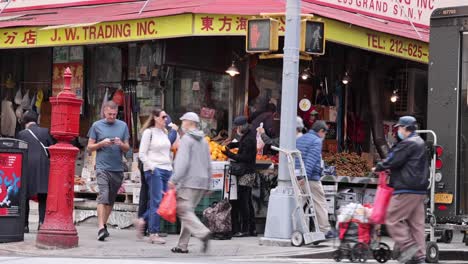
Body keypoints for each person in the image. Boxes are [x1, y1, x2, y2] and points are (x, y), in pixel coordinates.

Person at [375, 116, 428, 264]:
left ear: (406, 129)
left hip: (406, 187)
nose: (398, 130)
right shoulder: (420, 142)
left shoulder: (408, 143)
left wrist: (378, 167)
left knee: (392, 218)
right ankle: (420, 257)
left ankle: (410, 247)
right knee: (416, 224)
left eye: (399, 128)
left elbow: (393, 160)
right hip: (419, 189)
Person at [168, 112, 211, 254]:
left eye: (183, 121)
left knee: (184, 211)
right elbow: (208, 163)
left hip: (188, 181)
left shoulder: (186, 139)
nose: (182, 124)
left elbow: (182, 162)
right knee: (188, 212)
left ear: (190, 123)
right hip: (201, 181)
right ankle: (182, 245)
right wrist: (208, 183)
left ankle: (203, 232)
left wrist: (174, 179)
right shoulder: (204, 140)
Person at [87, 101, 130, 241]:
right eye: (109, 114)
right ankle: (100, 228)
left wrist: (120, 144)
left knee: (110, 200)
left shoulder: (123, 126)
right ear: (104, 112)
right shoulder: (96, 125)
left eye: (114, 114)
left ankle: (103, 225)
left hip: (117, 168)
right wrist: (101, 143)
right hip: (102, 167)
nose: (112, 116)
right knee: (103, 195)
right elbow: (89, 147)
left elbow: (127, 148)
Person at [134, 109, 178, 244]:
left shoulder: (164, 133)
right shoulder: (149, 133)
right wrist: (152, 168)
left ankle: (142, 220)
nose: (166, 119)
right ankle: (153, 232)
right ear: (156, 118)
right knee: (156, 201)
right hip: (154, 170)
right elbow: (142, 154)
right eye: (164, 117)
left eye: (166, 117)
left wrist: (174, 131)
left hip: (166, 169)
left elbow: (169, 147)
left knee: (164, 200)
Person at [296, 120, 336, 239]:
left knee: (299, 204)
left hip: (297, 176)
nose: (324, 137)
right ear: (321, 131)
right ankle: (324, 230)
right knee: (320, 202)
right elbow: (311, 160)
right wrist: (305, 176)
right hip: (310, 178)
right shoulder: (316, 141)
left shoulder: (301, 139)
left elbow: (298, 159)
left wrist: (299, 176)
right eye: (325, 133)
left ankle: (296, 228)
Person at [17, 110, 54, 233]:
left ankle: (24, 225)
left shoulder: (22, 134)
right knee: (43, 196)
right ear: (36, 120)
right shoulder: (45, 131)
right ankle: (41, 223)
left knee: (25, 196)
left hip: (26, 166)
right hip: (43, 166)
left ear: (25, 121)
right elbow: (51, 149)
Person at [223, 116, 257, 237]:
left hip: (246, 173)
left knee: (244, 202)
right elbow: (242, 146)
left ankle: (245, 229)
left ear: (242, 125)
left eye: (238, 126)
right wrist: (232, 146)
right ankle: (252, 228)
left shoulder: (249, 138)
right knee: (247, 201)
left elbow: (244, 158)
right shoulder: (248, 136)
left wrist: (229, 154)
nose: (237, 128)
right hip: (248, 172)